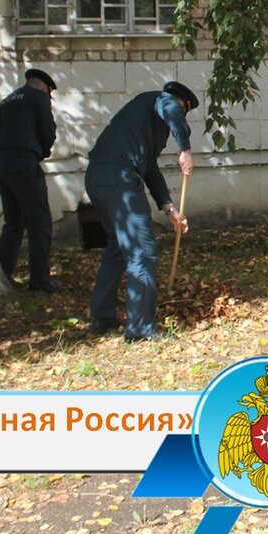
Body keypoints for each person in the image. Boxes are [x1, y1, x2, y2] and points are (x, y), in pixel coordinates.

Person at [86, 81, 198, 342]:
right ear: (182, 105)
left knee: (118, 247)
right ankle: (140, 330)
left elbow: (149, 169)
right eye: (183, 113)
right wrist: (186, 150)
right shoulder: (162, 100)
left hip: (97, 178)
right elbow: (170, 108)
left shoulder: (142, 126)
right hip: (119, 180)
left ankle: (102, 317)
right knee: (142, 253)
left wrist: (168, 207)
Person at [0, 68, 58, 293]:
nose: (48, 98)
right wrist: (44, 150)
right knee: (39, 221)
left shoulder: (5, 102)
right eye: (49, 94)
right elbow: (47, 130)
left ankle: (2, 273)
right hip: (23, 162)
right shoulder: (38, 97)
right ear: (43, 87)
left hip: (0, 163)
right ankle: (40, 280)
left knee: (13, 221)